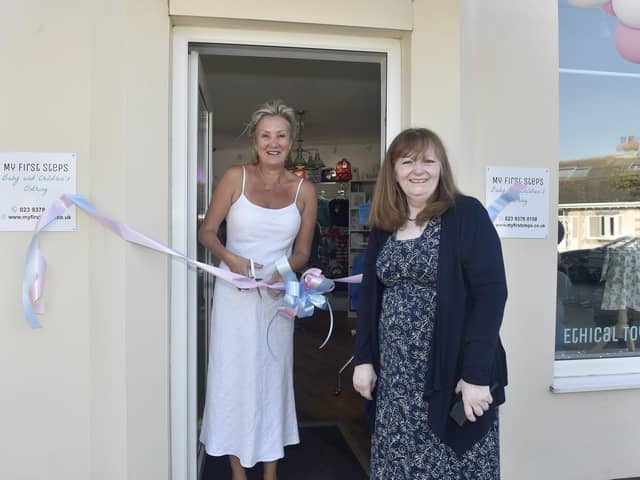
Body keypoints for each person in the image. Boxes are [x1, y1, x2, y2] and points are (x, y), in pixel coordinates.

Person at [352, 128, 508, 479]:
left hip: (452, 372)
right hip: (395, 380)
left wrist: (475, 374)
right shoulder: (385, 223)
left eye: (427, 161)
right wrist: (363, 358)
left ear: (442, 167)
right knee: (399, 463)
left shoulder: (465, 214)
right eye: (407, 161)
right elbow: (370, 297)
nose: (417, 170)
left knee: (452, 465)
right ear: (393, 171)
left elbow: (491, 294)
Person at [198, 99, 317, 480]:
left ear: (291, 141)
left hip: (276, 303)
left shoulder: (305, 191)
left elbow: (302, 252)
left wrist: (282, 273)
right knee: (232, 377)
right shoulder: (235, 177)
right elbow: (206, 233)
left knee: (272, 380)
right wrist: (230, 258)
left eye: (281, 135)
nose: (273, 142)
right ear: (255, 142)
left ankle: (270, 473)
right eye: (266, 135)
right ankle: (237, 472)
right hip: (234, 298)